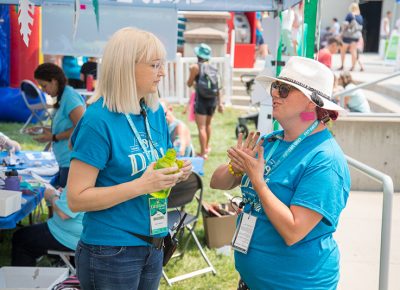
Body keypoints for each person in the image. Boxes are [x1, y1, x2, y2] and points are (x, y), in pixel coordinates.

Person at [66, 27, 192, 290]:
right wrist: (143, 185)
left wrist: (174, 173)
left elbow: (156, 169)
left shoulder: (154, 111)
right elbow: (76, 199)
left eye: (162, 64)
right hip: (111, 250)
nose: (163, 72)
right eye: (155, 65)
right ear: (126, 67)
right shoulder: (98, 121)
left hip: (153, 242)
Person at [210, 56, 350, 289]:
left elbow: (293, 231)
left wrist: (258, 181)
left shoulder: (326, 160)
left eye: (284, 90)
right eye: (276, 87)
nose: (274, 94)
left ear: (310, 103)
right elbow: (216, 182)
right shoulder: (270, 141)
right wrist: (236, 167)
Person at [26, 63, 86, 188]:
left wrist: (53, 137)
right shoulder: (63, 97)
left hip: (72, 162)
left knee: (64, 204)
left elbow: (82, 127)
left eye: (44, 86)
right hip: (65, 161)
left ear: (54, 81)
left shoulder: (69, 97)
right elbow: (67, 126)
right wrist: (43, 129)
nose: (43, 90)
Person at [11, 188, 83, 266]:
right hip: (83, 235)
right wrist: (63, 195)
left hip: (71, 237)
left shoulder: (81, 177)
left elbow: (64, 213)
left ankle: (22, 277)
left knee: (21, 238)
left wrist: (52, 196)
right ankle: (72, 265)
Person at [187, 43, 223, 159]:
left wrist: (193, 81)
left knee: (201, 127)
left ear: (198, 55)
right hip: (212, 100)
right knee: (208, 125)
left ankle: (203, 153)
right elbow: (219, 87)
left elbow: (189, 83)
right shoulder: (213, 68)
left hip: (202, 100)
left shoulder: (195, 67)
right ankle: (206, 147)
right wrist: (220, 103)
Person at [340, 3, 363, 71]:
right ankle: (353, 67)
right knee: (353, 51)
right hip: (356, 36)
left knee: (343, 50)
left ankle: (342, 65)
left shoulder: (350, 15)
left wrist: (341, 34)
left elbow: (345, 25)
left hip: (347, 36)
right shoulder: (360, 17)